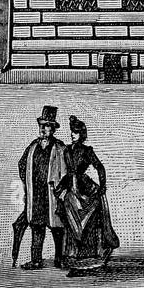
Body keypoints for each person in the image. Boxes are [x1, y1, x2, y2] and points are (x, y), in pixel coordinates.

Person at [53, 116, 120, 276]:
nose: (72, 134)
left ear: (81, 134)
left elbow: (100, 167)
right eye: (71, 132)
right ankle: (72, 259)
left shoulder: (87, 150)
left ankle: (93, 256)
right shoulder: (67, 150)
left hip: (85, 188)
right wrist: (59, 188)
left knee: (90, 216)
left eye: (75, 132)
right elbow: (68, 174)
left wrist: (102, 186)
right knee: (68, 211)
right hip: (71, 187)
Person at [15, 105, 66, 270]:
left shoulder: (60, 148)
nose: (43, 129)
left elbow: (67, 170)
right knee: (36, 227)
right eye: (42, 125)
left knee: (57, 228)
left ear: (53, 129)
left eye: (47, 126)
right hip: (36, 194)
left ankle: (60, 258)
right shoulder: (32, 147)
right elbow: (22, 165)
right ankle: (36, 260)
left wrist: (60, 188)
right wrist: (27, 184)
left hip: (52, 194)